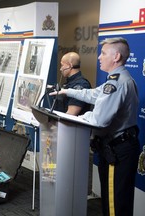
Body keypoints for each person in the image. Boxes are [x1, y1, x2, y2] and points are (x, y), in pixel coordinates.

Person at [50, 37, 140, 216]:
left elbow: (99, 120)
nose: (99, 57)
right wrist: (67, 91)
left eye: (104, 53)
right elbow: (93, 95)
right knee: (111, 201)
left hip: (119, 149)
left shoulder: (117, 83)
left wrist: (75, 117)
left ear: (116, 57)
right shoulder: (114, 79)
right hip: (115, 147)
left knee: (116, 206)